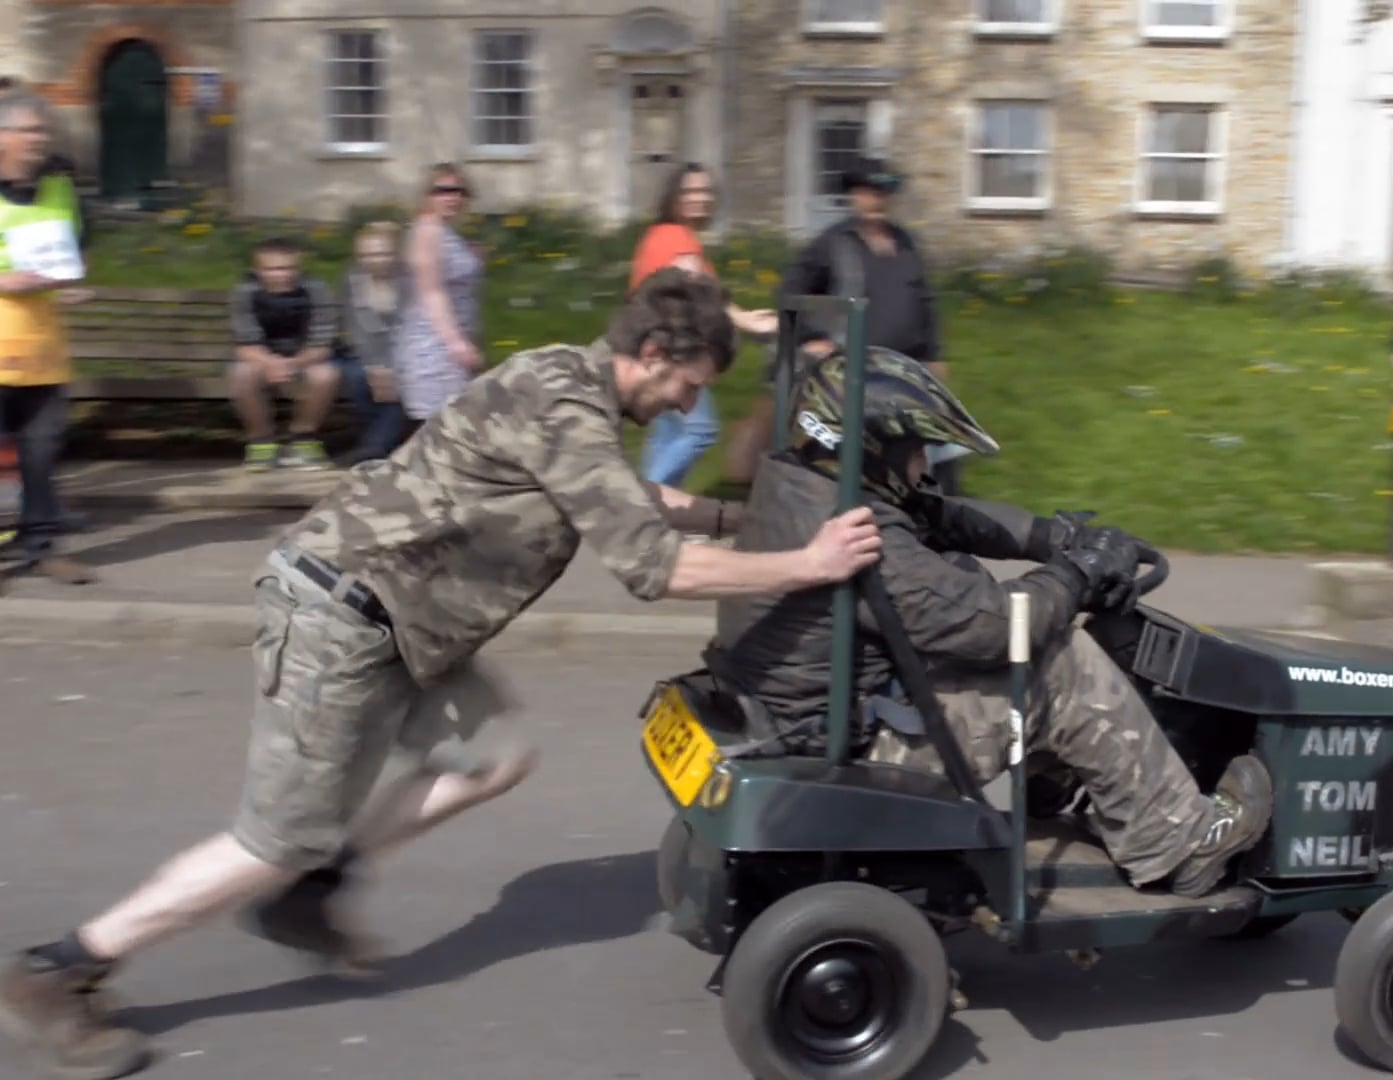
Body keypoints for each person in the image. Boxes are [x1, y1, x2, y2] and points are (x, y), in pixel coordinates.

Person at [0, 268, 884, 1080]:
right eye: (689, 384)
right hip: (340, 612)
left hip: (409, 623)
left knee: (494, 757)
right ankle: (64, 967)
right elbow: (655, 568)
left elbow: (622, 498)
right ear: (654, 354)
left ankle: (315, 888)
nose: (689, 401)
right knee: (272, 838)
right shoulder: (567, 406)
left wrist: (743, 517)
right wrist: (806, 564)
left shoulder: (570, 386)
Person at [712, 345, 1274, 902]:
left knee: (981, 609)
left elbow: (940, 515)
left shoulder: (801, 482)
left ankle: (1057, 784)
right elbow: (998, 625)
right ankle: (1179, 841)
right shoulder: (859, 536)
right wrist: (1077, 576)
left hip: (794, 712)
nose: (925, 466)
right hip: (856, 746)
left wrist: (1054, 538)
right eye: (917, 451)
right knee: (1059, 661)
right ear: (873, 450)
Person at [727, 156, 964, 494]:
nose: (875, 200)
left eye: (882, 193)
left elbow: (924, 301)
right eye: (868, 192)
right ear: (854, 195)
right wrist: (814, 336)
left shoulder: (906, 243)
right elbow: (790, 292)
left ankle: (935, 512)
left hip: (905, 367)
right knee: (854, 451)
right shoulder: (833, 243)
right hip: (853, 369)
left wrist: (934, 354)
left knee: (932, 442)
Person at [627, 162, 777, 488]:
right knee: (699, 431)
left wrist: (744, 316)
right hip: (673, 350)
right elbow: (699, 289)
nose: (701, 197)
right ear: (673, 196)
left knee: (668, 432)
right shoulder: (673, 236)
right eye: (691, 190)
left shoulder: (668, 236)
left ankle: (649, 508)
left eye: (706, 191)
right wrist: (746, 322)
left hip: (655, 346)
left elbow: (705, 291)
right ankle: (644, 504)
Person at [0, 86, 95, 584]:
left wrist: (72, 286)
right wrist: (4, 280)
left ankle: (42, 548)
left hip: (43, 348)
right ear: (3, 135)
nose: (41, 139)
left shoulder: (60, 186)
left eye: (44, 130)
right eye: (31, 130)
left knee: (41, 453)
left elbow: (76, 253)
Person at [227, 236, 341, 471]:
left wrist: (294, 363)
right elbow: (245, 343)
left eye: (288, 268)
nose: (281, 274)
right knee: (240, 374)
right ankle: (262, 441)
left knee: (326, 376)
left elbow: (322, 340)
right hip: (262, 356)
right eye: (272, 269)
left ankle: (303, 437)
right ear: (258, 269)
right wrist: (270, 363)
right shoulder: (245, 292)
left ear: (298, 267)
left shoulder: (315, 289)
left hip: (304, 355)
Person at [395, 163, 484, 428]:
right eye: (442, 190)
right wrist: (456, 344)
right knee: (437, 424)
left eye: (459, 191)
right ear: (427, 195)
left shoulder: (445, 232)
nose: (452, 197)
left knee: (451, 424)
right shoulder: (427, 231)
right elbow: (431, 292)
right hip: (433, 343)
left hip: (452, 337)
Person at [334, 220, 409, 466]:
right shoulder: (352, 279)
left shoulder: (410, 281)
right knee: (357, 378)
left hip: (404, 354)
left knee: (405, 381)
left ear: (396, 253)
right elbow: (355, 328)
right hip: (363, 355)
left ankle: (373, 448)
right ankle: (381, 444)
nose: (374, 260)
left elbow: (409, 329)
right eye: (366, 254)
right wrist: (375, 367)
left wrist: (390, 367)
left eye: (381, 253)